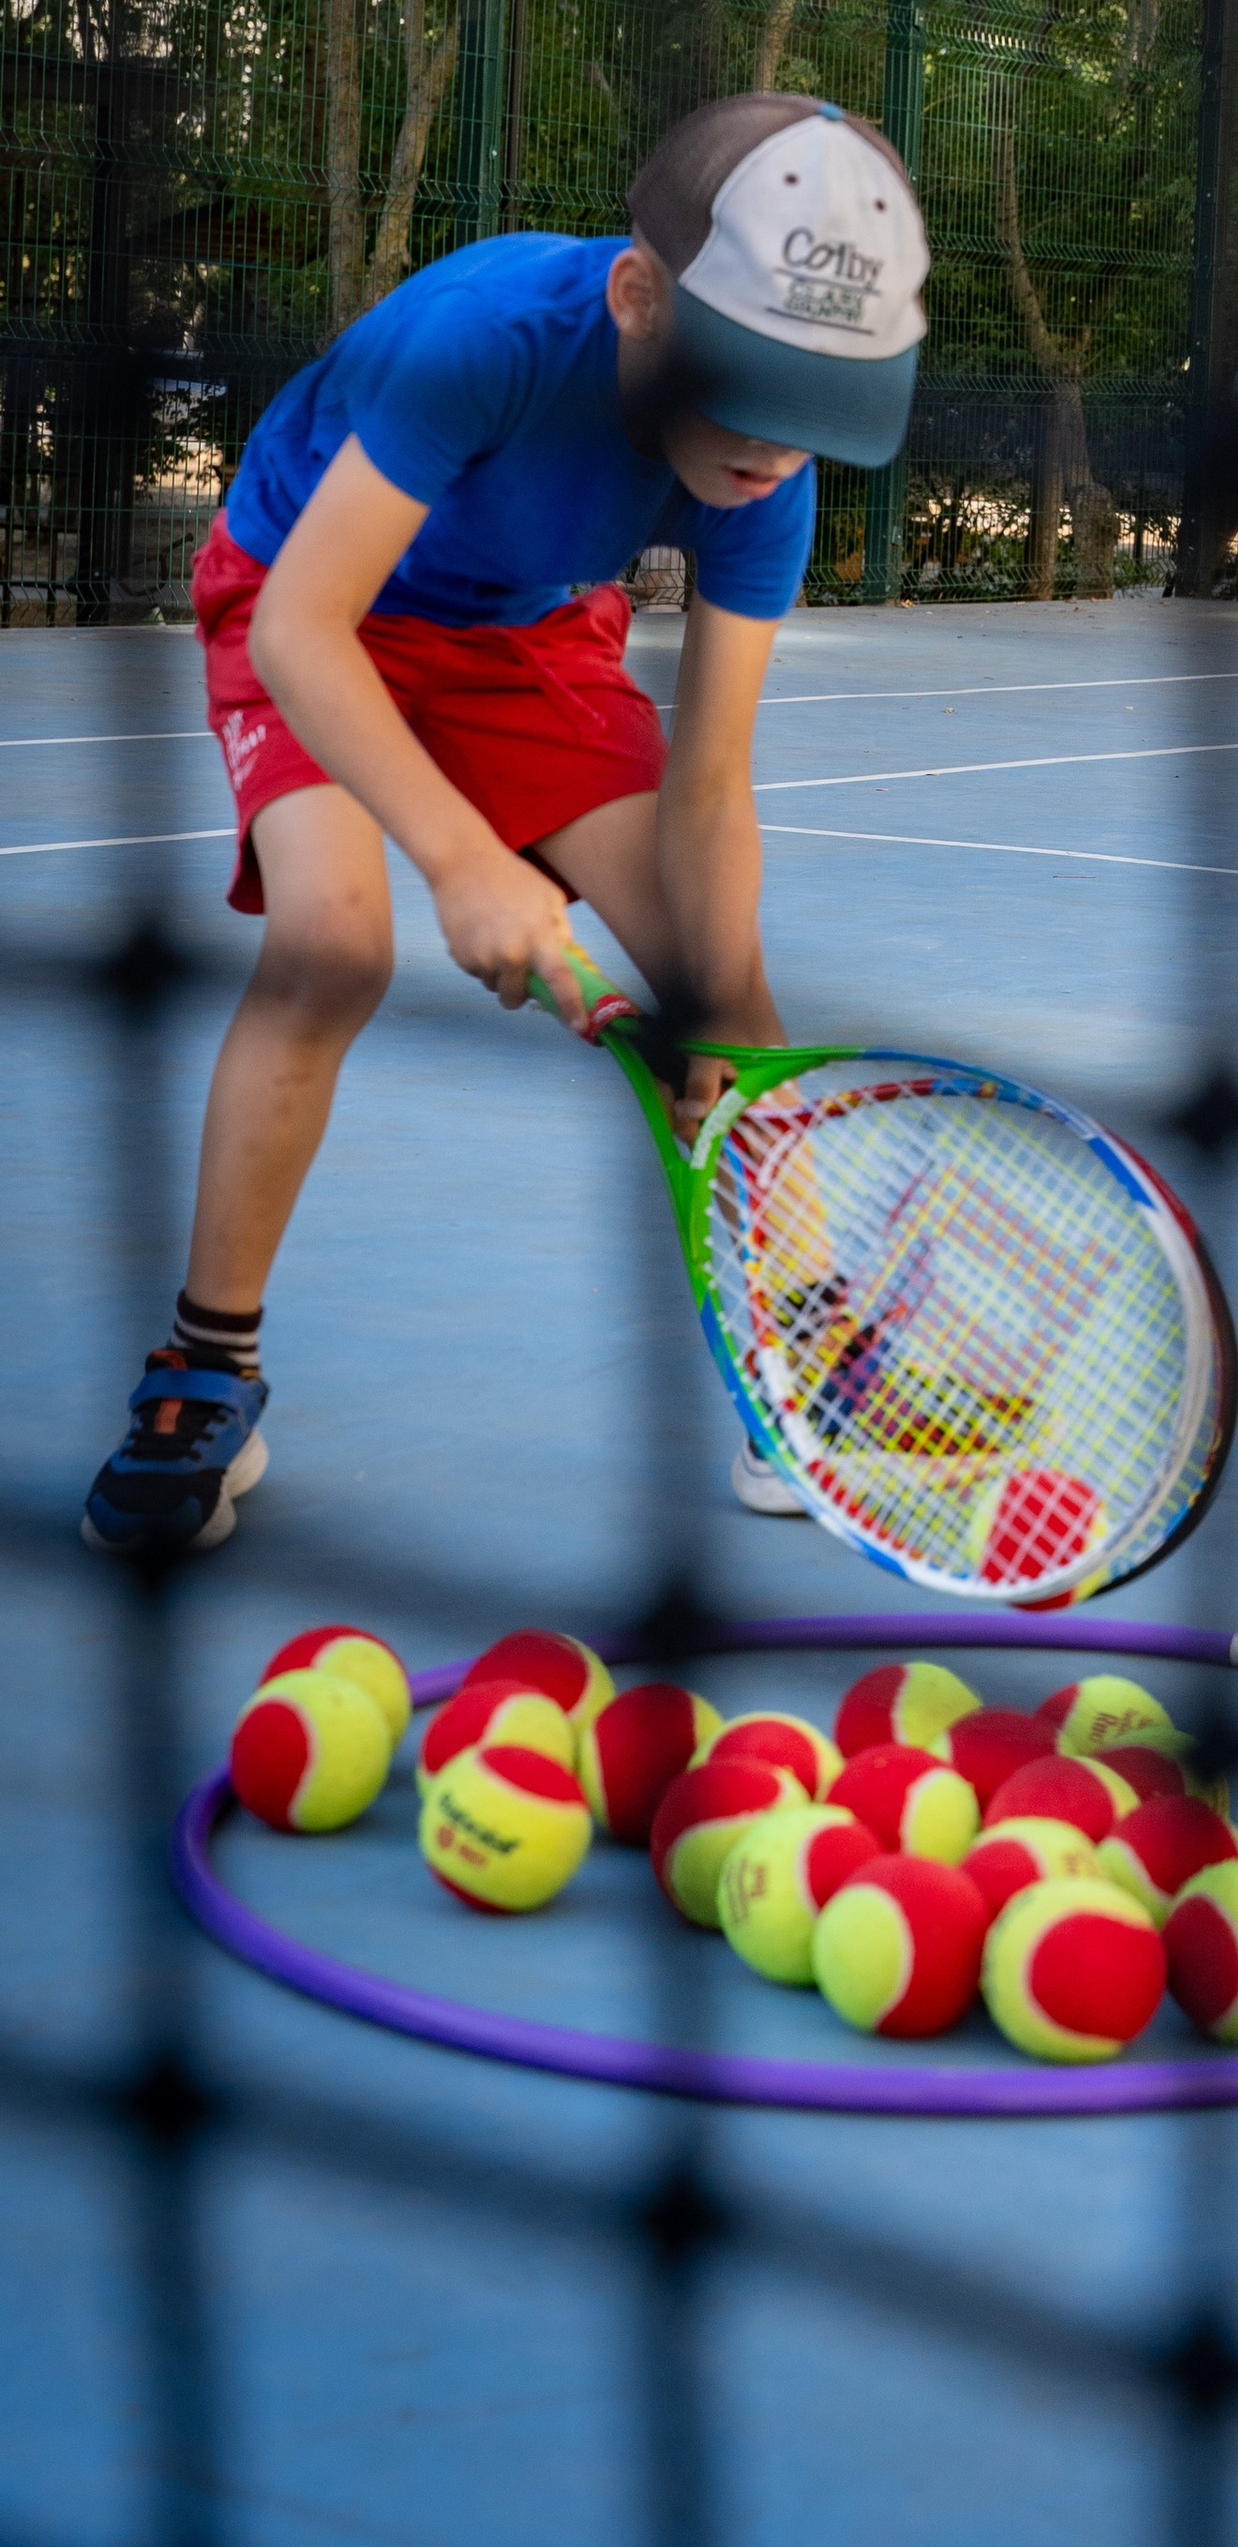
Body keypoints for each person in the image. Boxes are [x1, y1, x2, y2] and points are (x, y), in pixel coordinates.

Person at [83, 91, 930, 1559]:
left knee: (725, 984)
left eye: (815, 419)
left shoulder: (760, 475)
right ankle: (202, 1368)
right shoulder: (484, 339)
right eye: (747, 392)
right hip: (312, 599)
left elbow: (711, 787)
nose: (776, 452)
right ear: (639, 297)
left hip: (524, 642)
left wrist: (720, 1014)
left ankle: (785, 1354)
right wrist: (465, 864)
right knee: (332, 945)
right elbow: (302, 628)